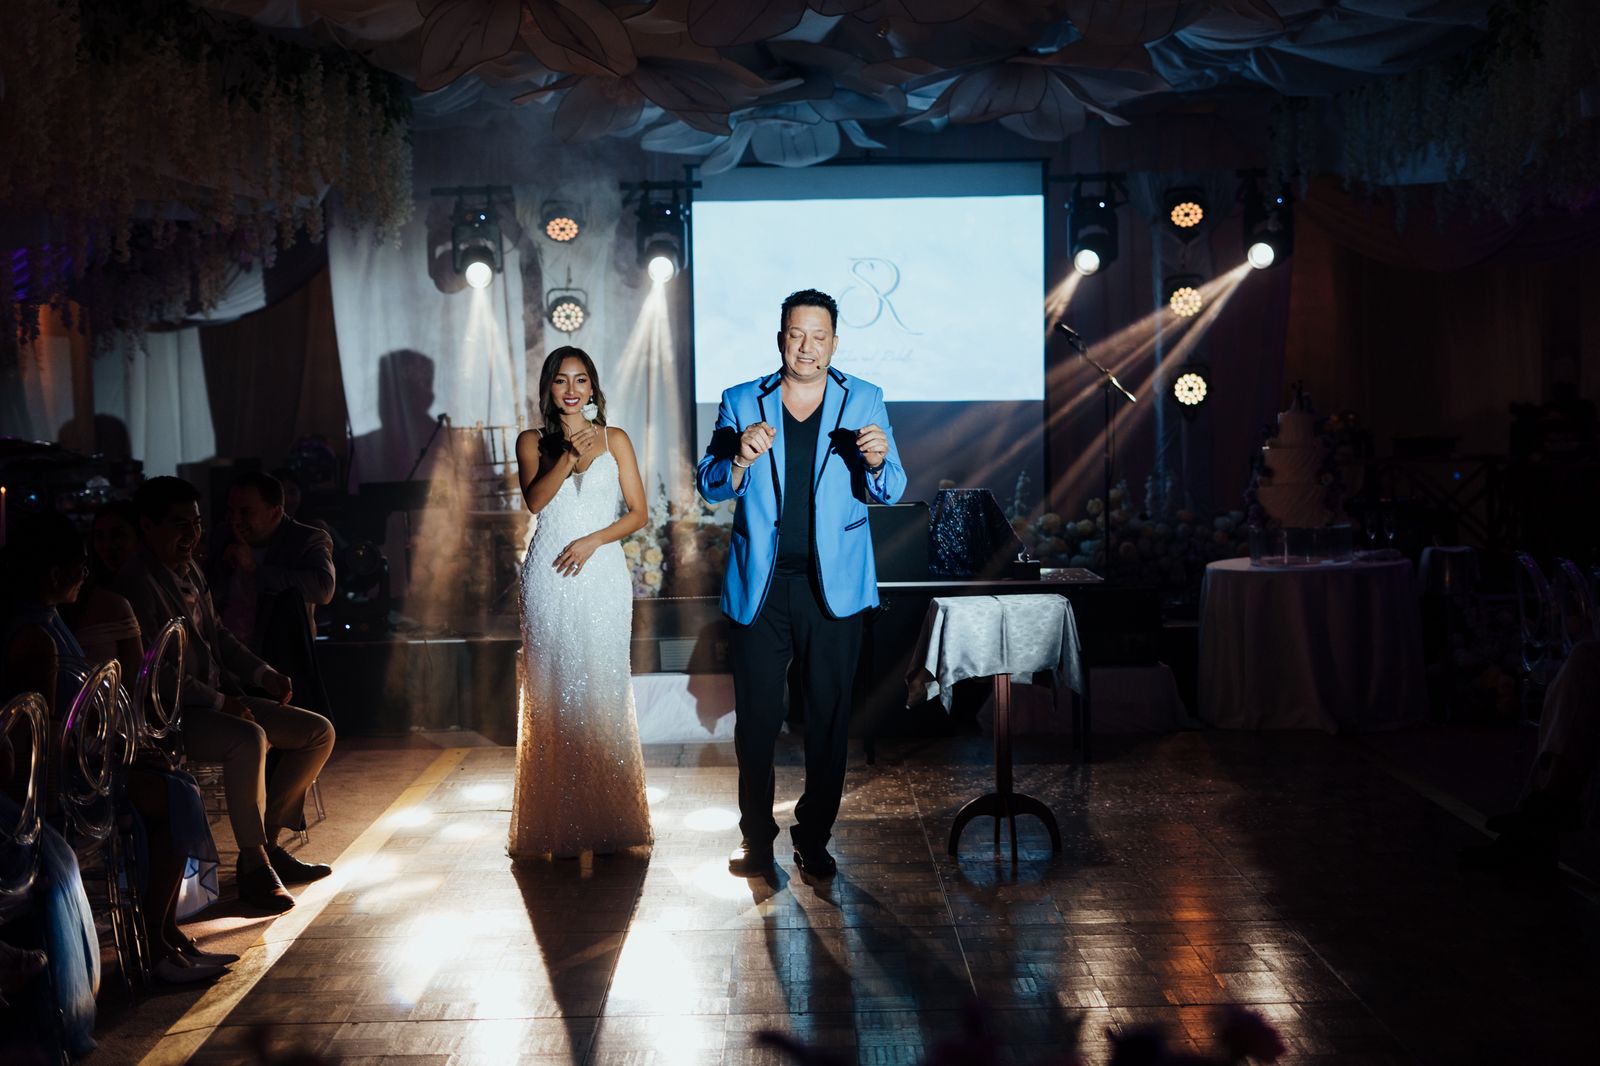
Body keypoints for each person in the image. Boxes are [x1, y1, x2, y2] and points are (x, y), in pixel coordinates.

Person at [696, 289, 906, 878]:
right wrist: (739, 459)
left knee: (829, 721)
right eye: (796, 335)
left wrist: (877, 462)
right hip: (761, 588)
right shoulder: (742, 399)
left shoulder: (864, 398)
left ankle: (814, 837)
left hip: (833, 589)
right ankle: (757, 840)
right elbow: (710, 484)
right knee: (757, 722)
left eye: (819, 337)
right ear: (780, 338)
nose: (807, 347)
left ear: (834, 342)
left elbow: (890, 487)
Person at [115, 477, 335, 913]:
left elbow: (217, 636)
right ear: (148, 526)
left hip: (217, 696)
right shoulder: (137, 583)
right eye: (180, 525)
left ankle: (267, 843)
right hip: (172, 714)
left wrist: (263, 672)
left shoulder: (190, 569)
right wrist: (222, 703)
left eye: (196, 524)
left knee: (317, 733)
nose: (192, 534)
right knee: (248, 738)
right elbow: (154, 675)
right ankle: (254, 866)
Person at [507, 346, 653, 859]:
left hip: (603, 577)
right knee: (552, 692)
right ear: (549, 388)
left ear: (593, 387)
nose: (572, 390)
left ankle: (609, 820)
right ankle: (557, 823)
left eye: (581, 380)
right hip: (548, 576)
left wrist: (594, 540)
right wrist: (568, 456)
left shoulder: (616, 439)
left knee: (601, 691)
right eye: (561, 380)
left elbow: (638, 513)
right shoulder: (532, 441)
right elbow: (535, 501)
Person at [211, 470, 335, 716]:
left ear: (276, 512)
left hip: (278, 662)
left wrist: (255, 570)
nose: (235, 519)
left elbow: (323, 589)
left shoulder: (307, 539)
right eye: (231, 510)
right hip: (225, 661)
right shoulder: (221, 537)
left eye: (246, 512)